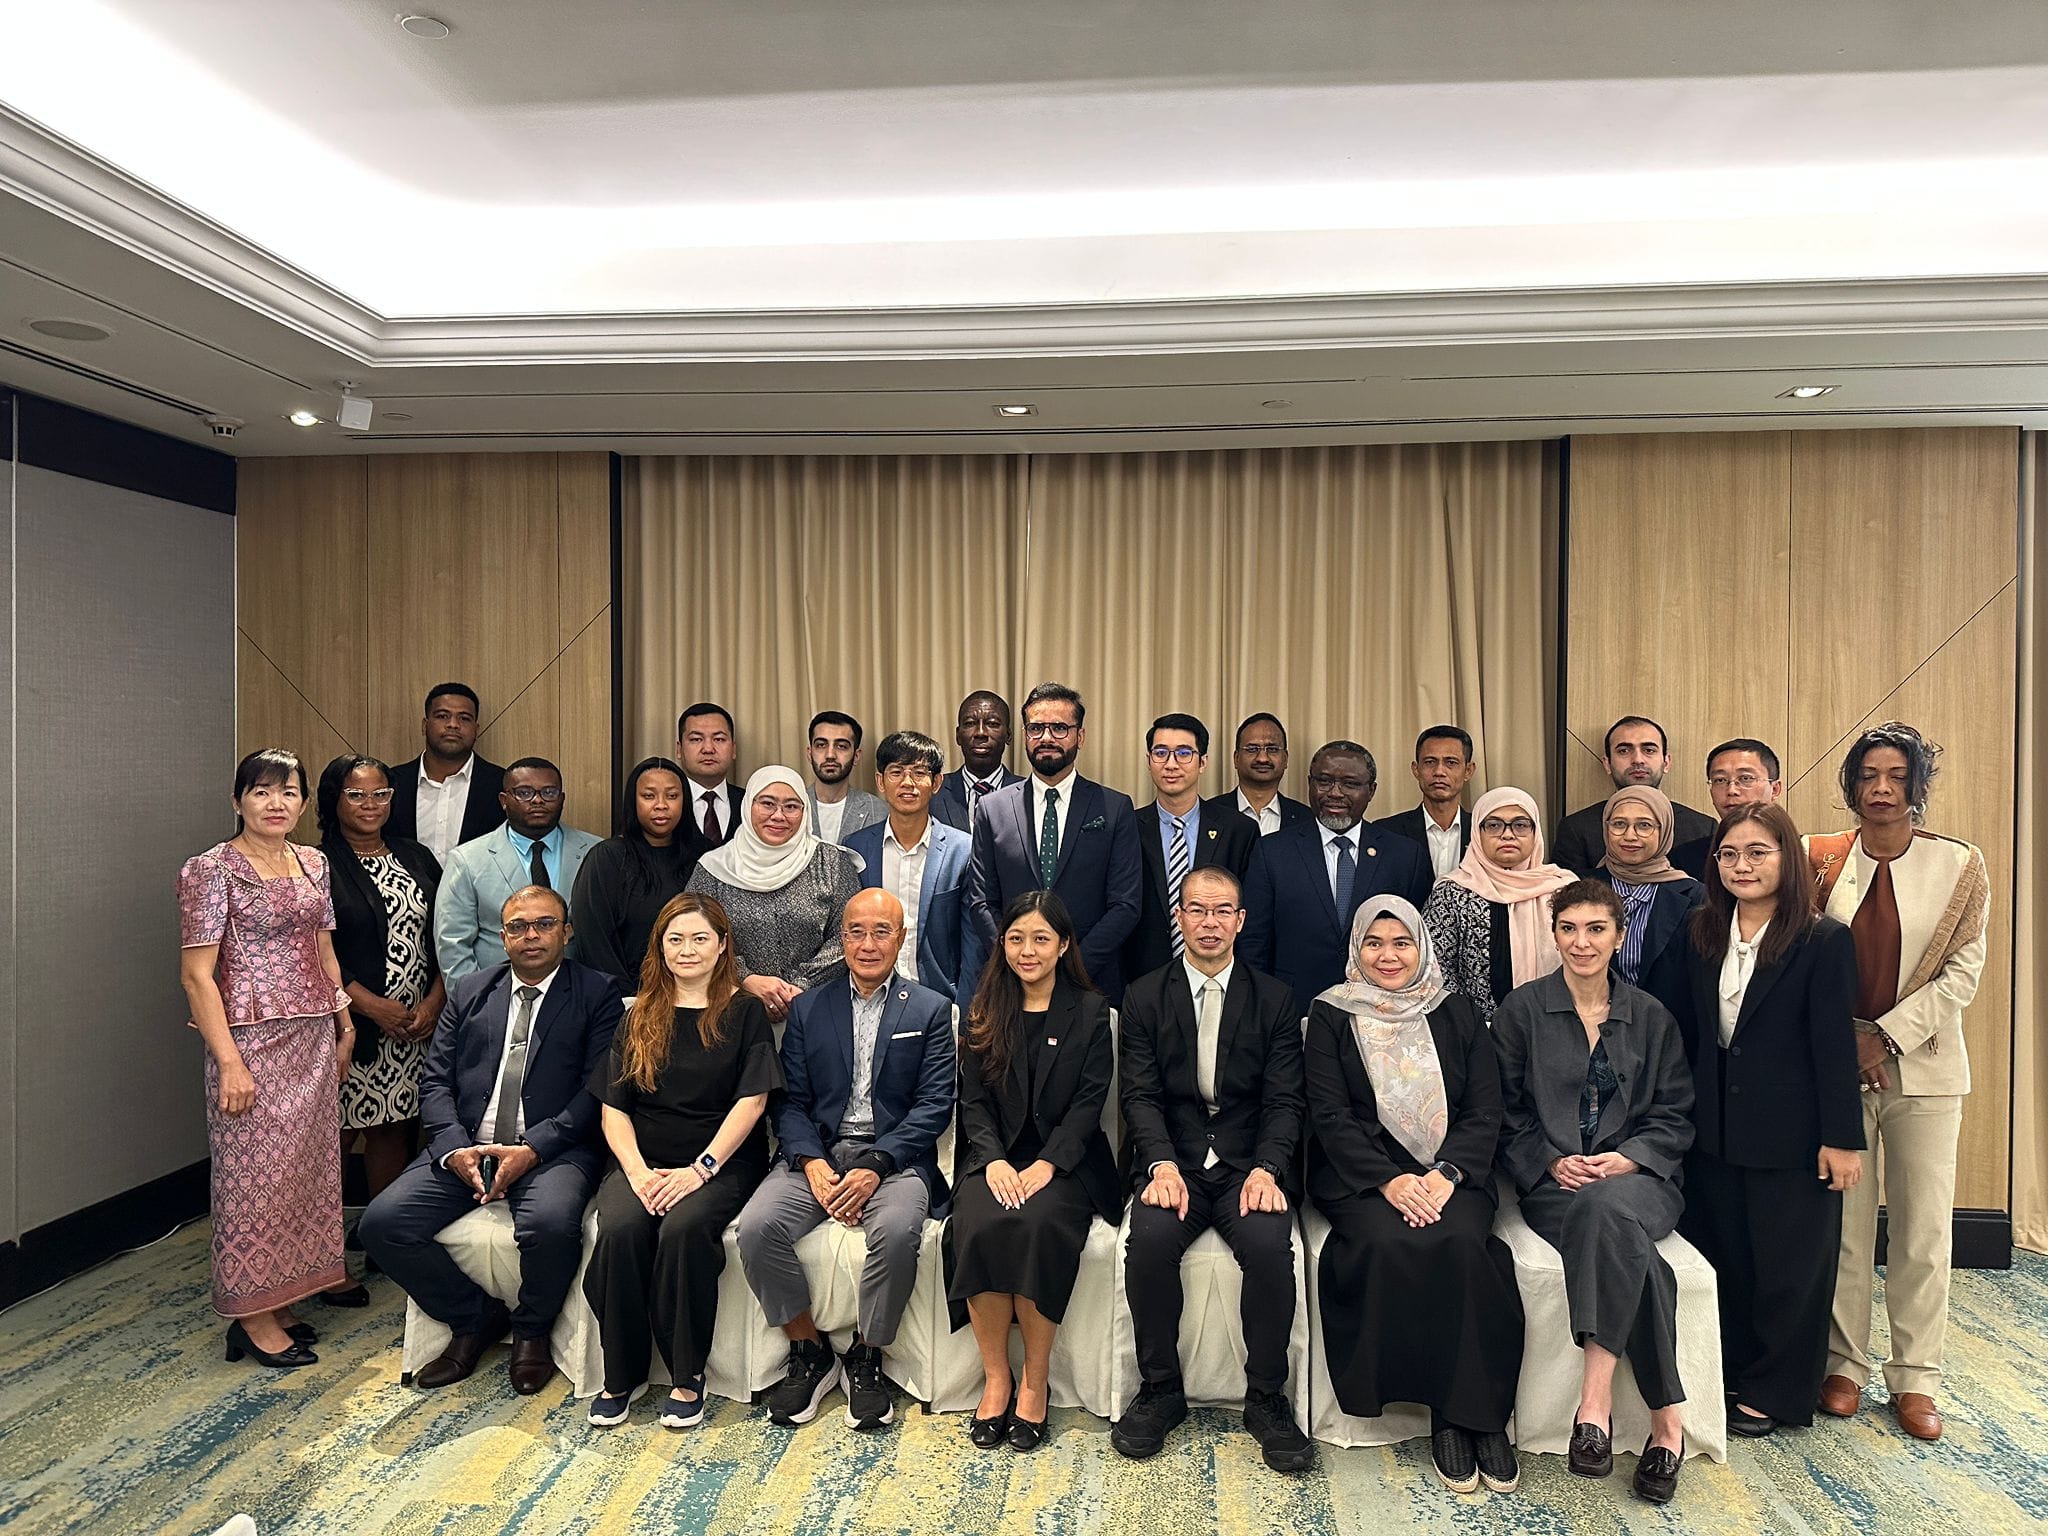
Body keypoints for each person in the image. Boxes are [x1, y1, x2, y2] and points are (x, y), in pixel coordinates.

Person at [359, 886, 626, 1395]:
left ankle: (531, 1332)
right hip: (466, 1148)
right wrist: (456, 1149)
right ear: (502, 937)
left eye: (545, 924)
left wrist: (532, 1149)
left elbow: (598, 1091)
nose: (531, 936)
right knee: (383, 1225)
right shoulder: (470, 991)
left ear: (566, 932)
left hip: (552, 1151)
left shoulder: (597, 993)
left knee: (549, 1225)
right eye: (518, 926)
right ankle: (473, 1319)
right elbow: (436, 1081)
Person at [1303, 896, 1523, 1496]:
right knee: (1385, 1243)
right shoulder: (1330, 1013)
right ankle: (1437, 1410)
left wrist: (1445, 1173)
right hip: (1363, 1178)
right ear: (1356, 949)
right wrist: (1389, 1180)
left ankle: (1474, 1416)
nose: (1388, 956)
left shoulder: (1456, 1012)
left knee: (1460, 1243)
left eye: (1402, 942)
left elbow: (1485, 1108)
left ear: (1421, 946)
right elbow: (1329, 1113)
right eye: (1374, 943)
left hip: (1453, 1174)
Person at [1812, 724, 1989, 1443]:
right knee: (1847, 1229)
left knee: (1922, 1230)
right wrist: (1847, 1043)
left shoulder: (1960, 865)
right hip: (1834, 1072)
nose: (1881, 789)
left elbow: (1964, 972)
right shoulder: (1820, 857)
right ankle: (1844, 1365)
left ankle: (1917, 1378)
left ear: (1917, 786)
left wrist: (1882, 1036)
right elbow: (1800, 958)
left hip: (1925, 1068)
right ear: (1852, 785)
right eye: (1868, 776)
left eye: (1895, 776)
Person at [1492, 881, 1696, 1505]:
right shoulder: (1521, 1010)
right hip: (1556, 1187)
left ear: (1617, 934)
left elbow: (1675, 1112)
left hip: (1641, 1183)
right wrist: (1552, 1162)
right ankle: (1668, 1422)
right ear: (1553, 935)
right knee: (1641, 1261)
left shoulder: (1651, 1016)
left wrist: (1629, 1159)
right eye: (1569, 929)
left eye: (1596, 929)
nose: (1582, 943)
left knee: (1609, 1209)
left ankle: (1594, 1403)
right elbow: (1504, 1111)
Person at [1113, 867, 1315, 1473]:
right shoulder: (1145, 995)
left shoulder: (1275, 999)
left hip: (1245, 1165)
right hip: (1171, 1161)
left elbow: (1285, 1100)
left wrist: (1269, 1169)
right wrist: (1159, 1163)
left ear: (1241, 920)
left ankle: (1267, 1398)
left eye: (1222, 911)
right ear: (1179, 917)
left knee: (1271, 1248)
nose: (1209, 922)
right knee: (1146, 1244)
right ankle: (1160, 1390)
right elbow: (1139, 1096)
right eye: (1197, 910)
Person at [735, 889, 956, 1431]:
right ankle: (808, 1350)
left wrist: (877, 1164)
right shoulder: (812, 1007)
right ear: (842, 938)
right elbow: (790, 1102)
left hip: (895, 1157)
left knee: (901, 1228)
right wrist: (810, 1162)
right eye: (856, 930)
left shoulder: (928, 1009)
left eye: (882, 931)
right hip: (817, 1153)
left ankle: (865, 1353)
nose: (867, 943)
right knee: (757, 1227)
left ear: (901, 939)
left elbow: (934, 1105)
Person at [1678, 805, 1863, 1439]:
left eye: (1758, 852)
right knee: (1728, 1258)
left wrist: (1841, 1138)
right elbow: (1685, 1030)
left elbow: (1835, 1047)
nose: (1742, 865)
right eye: (1729, 854)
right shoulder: (1701, 929)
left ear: (1788, 858)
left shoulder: (1823, 939)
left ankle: (1780, 1392)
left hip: (1795, 1135)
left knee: (1791, 1270)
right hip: (1714, 1132)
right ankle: (1730, 1374)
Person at [178, 748, 361, 1369]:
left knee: (305, 1174)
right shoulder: (210, 870)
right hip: (249, 1041)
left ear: (304, 803)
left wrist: (343, 1019)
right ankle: (250, 1315)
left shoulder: (312, 862)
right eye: (261, 792)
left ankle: (283, 1296)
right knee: (250, 1178)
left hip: (312, 1035)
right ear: (237, 801)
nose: (276, 803)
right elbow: (197, 976)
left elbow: (323, 948)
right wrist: (227, 1061)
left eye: (288, 793)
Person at [582, 893, 780, 1429]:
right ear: (660, 948)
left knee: (685, 1229)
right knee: (621, 1228)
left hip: (721, 1160)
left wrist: (701, 1171)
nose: (687, 949)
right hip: (642, 1160)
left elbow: (753, 1102)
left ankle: (686, 1372)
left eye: (699, 939)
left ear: (721, 947)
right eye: (675, 939)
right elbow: (613, 1109)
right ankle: (620, 1374)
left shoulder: (745, 1013)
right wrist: (639, 1173)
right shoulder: (639, 1013)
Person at [949, 892, 1124, 1452]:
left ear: (1064, 944)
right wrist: (995, 1159)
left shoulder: (1092, 1012)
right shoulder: (984, 1008)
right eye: (1017, 938)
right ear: (1003, 943)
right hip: (993, 1157)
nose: (1028, 950)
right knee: (976, 1225)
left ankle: (1035, 1380)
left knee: (1038, 1226)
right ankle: (996, 1378)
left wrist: (1048, 1164)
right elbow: (972, 1102)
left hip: (1065, 1163)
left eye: (1041, 938)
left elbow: (1089, 1103)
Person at [318, 754, 446, 1208]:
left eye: (380, 794)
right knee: (338, 1130)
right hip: (350, 1026)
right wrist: (371, 1007)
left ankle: (381, 1237)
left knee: (394, 1126)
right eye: (356, 795)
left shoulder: (416, 855)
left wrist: (434, 1002)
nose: (370, 804)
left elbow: (445, 935)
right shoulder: (315, 864)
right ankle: (319, 1249)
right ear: (334, 800)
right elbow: (314, 952)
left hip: (414, 1028)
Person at [964, 682, 1143, 1001]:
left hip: (1090, 983)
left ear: (1080, 736)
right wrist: (1021, 961)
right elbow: (981, 900)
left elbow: (1125, 905)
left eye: (1060, 728)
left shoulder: (1114, 808)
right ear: (1024, 735)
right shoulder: (993, 809)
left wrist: (1072, 966)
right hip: (1012, 987)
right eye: (1036, 728)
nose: (1047, 737)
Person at [1241, 741, 1433, 1021]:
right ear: (1309, 784)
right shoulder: (1272, 851)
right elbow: (1253, 943)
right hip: (1292, 1011)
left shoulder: (1404, 855)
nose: (1335, 793)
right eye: (1324, 781)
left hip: (1383, 1013)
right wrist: (1260, 1012)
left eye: (1349, 783)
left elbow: (1418, 944)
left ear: (1371, 790)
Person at [684, 765, 863, 1026]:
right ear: (748, 805)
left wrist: (800, 987)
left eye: (791, 806)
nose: (778, 816)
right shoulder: (714, 868)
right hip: (731, 1015)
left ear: (805, 811)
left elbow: (848, 933)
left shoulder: (833, 863)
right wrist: (744, 979)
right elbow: (692, 936)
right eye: (767, 803)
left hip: (819, 1013)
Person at [436, 758, 602, 981]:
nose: (537, 800)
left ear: (562, 799)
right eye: (524, 793)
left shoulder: (596, 852)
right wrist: (475, 1005)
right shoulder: (467, 860)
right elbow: (453, 944)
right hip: (497, 999)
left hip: (581, 997)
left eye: (549, 792)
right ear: (504, 800)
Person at [1123, 713, 1259, 982]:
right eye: (1160, 753)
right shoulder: (1127, 827)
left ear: (1203, 762)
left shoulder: (1238, 830)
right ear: (1149, 761)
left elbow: (1251, 915)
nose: (1171, 764)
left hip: (1220, 978)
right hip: (1142, 980)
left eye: (1184, 753)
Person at [1422, 787, 1576, 1024]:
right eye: (1493, 825)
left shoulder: (1564, 890)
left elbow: (1583, 958)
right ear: (1476, 832)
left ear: (1536, 832)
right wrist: (1471, 1022)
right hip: (1475, 1032)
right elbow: (1435, 966)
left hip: (1555, 1029)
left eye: (1520, 825)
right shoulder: (1452, 891)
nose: (1507, 835)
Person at [845, 730, 973, 1001]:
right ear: (880, 781)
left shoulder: (962, 850)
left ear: (936, 782)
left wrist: (965, 1009)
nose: (908, 783)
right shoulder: (856, 847)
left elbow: (973, 940)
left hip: (939, 998)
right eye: (896, 772)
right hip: (871, 995)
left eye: (919, 773)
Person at [569, 756, 702, 982]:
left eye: (672, 796)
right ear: (633, 801)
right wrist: (627, 999)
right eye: (649, 796)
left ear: (685, 801)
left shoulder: (706, 857)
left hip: (699, 993)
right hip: (626, 999)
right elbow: (594, 940)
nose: (661, 805)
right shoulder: (608, 858)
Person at [1588, 787, 1706, 1024]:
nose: (1630, 836)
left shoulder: (1695, 896)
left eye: (1644, 826)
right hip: (1591, 1027)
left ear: (1664, 831)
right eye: (1619, 824)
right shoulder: (1582, 888)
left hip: (1667, 1030)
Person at [1551, 718, 1716, 878]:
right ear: (1607, 764)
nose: (1638, 759)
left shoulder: (1702, 828)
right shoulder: (1576, 828)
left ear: (1666, 762)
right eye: (1624, 751)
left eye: (1649, 750)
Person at [386, 683, 506, 866]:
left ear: (476, 729)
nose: (453, 725)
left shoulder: (501, 784)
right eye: (442, 716)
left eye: (464, 718)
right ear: (424, 726)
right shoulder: (391, 782)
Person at [1670, 738, 1785, 877]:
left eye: (1746, 778)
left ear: (1775, 789)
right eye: (1720, 780)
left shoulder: (1805, 853)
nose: (1732, 790)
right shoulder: (1684, 859)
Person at [1373, 726, 1477, 879]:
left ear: (1468, 770)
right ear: (1416, 769)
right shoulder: (1385, 832)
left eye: (1451, 762)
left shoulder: (1483, 832)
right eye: (1430, 762)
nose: (1439, 772)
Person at [933, 690, 1023, 832]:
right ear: (958, 736)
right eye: (970, 723)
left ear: (1008, 735)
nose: (980, 733)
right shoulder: (933, 792)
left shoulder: (1028, 792)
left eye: (992, 724)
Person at [1210, 712, 1310, 837]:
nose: (1262, 758)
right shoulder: (1208, 814)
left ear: (1285, 759)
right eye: (1252, 749)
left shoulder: (1307, 819)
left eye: (1272, 749)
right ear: (1236, 758)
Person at [805, 710, 887, 845]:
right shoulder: (792, 808)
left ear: (856, 756)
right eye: (821, 745)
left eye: (841, 746)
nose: (830, 754)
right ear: (810, 753)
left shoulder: (880, 812)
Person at [675, 702, 743, 846]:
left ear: (733, 749)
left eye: (719, 739)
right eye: (696, 739)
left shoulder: (750, 804)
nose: (708, 749)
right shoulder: (665, 805)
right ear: (679, 749)